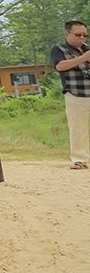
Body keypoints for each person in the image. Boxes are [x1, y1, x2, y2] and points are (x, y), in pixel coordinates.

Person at [51, 20, 90, 170]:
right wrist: (84, 58)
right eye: (78, 35)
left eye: (84, 35)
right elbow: (60, 66)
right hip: (75, 93)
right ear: (67, 34)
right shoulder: (58, 49)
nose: (82, 38)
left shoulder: (86, 48)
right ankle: (79, 159)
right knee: (78, 128)